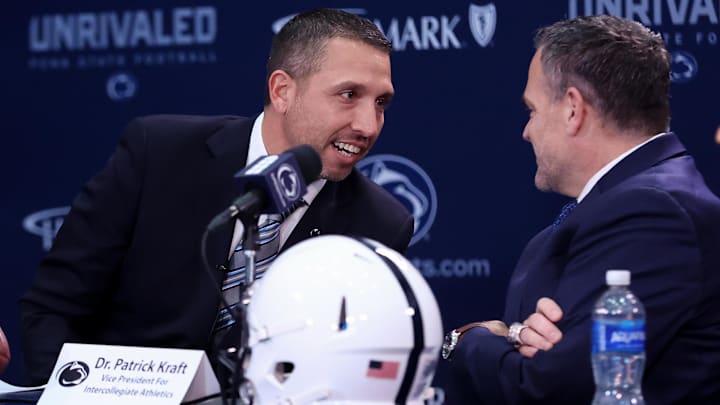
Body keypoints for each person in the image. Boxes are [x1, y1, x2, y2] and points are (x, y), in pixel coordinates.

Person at [19, 8, 413, 386]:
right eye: (348, 95)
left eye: (381, 103)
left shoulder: (379, 224)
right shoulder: (158, 154)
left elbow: (353, 375)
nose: (368, 125)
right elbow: (54, 308)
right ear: (282, 91)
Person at [443, 15, 720, 404]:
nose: (526, 131)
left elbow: (547, 385)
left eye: (532, 110)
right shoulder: (631, 201)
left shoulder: (654, 212)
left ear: (573, 109)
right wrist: (517, 335)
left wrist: (467, 339)